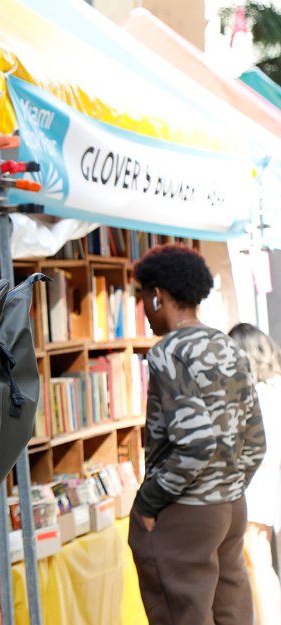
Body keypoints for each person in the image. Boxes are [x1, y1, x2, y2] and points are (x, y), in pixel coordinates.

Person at [129, 244, 265, 625]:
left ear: (157, 295)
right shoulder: (230, 347)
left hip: (185, 511)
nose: (145, 309)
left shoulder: (167, 353)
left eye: (144, 297)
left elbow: (196, 442)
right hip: (232, 508)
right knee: (232, 611)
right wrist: (230, 487)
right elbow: (256, 442)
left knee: (181, 613)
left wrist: (147, 503)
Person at [229, 322, 281, 625]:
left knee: (256, 559)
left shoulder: (255, 393)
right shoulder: (274, 386)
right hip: (268, 479)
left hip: (255, 481)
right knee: (261, 559)